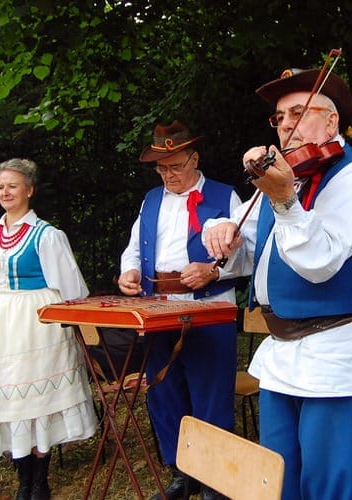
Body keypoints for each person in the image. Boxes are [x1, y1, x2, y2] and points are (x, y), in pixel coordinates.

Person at [202, 67, 352, 499]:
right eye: (279, 117)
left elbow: (319, 262)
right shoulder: (284, 173)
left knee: (328, 484)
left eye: (298, 111)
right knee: (277, 477)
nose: (286, 122)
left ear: (332, 121)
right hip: (281, 351)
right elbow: (252, 249)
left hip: (335, 352)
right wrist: (221, 233)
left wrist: (285, 198)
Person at [118, 121, 242, 500]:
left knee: (210, 394)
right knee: (164, 391)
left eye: (175, 166)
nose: (168, 175)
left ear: (194, 159)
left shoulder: (226, 196)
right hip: (158, 308)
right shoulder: (151, 200)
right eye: (161, 168)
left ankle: (215, 481)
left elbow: (250, 253)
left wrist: (214, 270)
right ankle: (181, 474)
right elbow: (134, 247)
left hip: (211, 309)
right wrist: (130, 271)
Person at [0, 158, 97, 500]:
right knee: (8, 399)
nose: (5, 192)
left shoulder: (47, 235)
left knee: (36, 401)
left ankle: (39, 481)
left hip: (38, 323)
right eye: (0, 187)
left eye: (12, 185)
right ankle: (23, 478)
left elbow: (71, 288)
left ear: (29, 190)